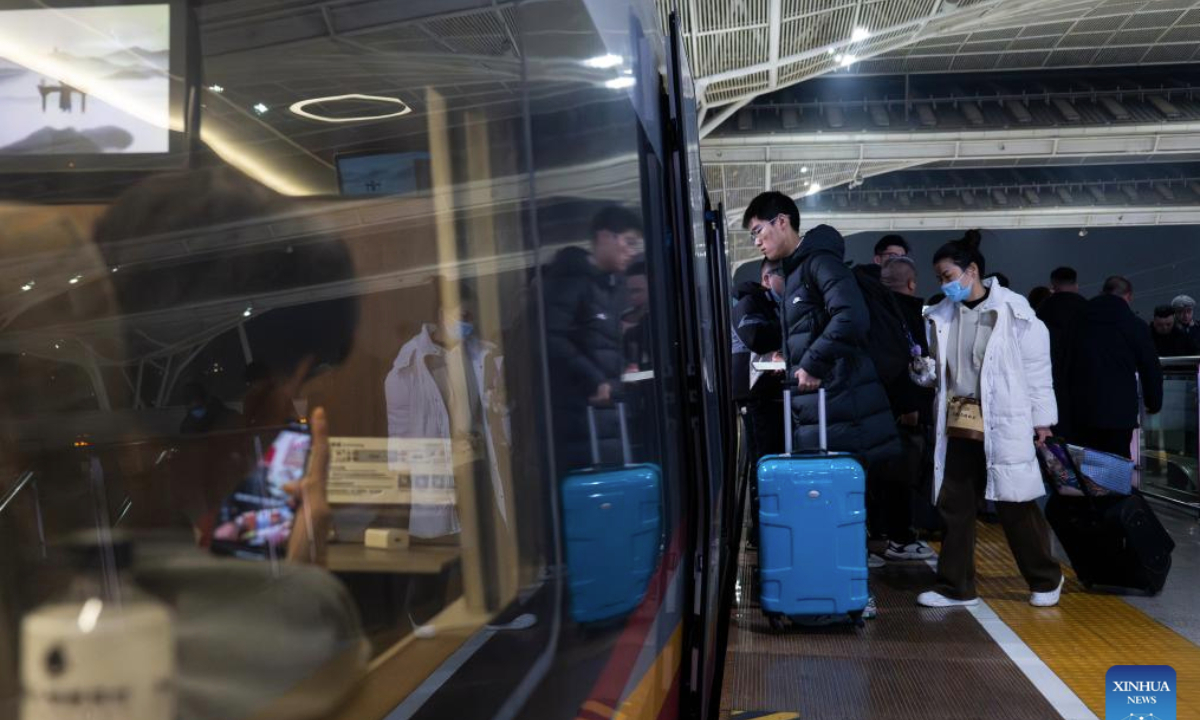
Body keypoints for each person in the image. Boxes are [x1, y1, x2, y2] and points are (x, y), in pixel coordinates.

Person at [916, 230, 1063, 609]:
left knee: (1016, 502)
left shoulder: (1015, 312)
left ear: (972, 271)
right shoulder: (938, 316)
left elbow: (1036, 369)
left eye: (948, 276)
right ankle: (956, 587)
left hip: (1004, 418)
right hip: (959, 420)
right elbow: (941, 370)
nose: (944, 285)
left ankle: (1046, 577)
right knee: (955, 504)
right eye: (939, 279)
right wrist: (925, 372)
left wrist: (1042, 420)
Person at [745, 191, 899, 464]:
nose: (756, 241)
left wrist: (813, 363)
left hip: (845, 413)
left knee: (850, 498)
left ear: (781, 221)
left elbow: (851, 315)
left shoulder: (820, 262)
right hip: (827, 413)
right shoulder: (795, 273)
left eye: (758, 231)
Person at [544, 205, 641, 471]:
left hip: (603, 412)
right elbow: (552, 338)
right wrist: (595, 380)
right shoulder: (571, 279)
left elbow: (601, 342)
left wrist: (623, 366)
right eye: (628, 242)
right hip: (578, 412)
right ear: (605, 237)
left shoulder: (609, 285)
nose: (632, 252)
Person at [875, 256, 936, 561]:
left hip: (875, 410)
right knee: (902, 477)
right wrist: (911, 406)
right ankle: (900, 536)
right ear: (912, 283)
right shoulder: (906, 315)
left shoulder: (874, 310)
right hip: (902, 412)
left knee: (880, 478)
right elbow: (907, 363)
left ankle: (882, 535)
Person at [1069, 276, 1164, 458]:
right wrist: (1153, 401)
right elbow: (1150, 367)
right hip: (1119, 412)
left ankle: (1090, 486)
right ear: (1128, 296)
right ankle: (1114, 487)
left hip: (1081, 409)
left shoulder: (1078, 320)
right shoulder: (1134, 325)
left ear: (1103, 292)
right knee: (1117, 463)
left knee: (1085, 463)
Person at [732, 259, 786, 546]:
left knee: (775, 459)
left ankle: (777, 523)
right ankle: (762, 530)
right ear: (767, 279)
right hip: (757, 396)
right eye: (785, 276)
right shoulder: (749, 303)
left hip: (777, 395)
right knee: (763, 461)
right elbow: (758, 337)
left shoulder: (774, 305)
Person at [1036, 266, 1088, 438]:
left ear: (1053, 285)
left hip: (1052, 383)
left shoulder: (1043, 309)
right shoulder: (1087, 308)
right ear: (1076, 284)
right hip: (1083, 383)